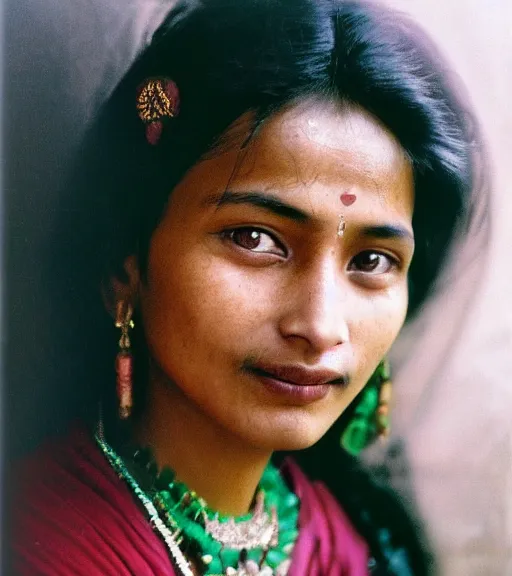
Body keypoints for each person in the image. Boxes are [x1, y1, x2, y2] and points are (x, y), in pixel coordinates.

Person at [9, 0, 479, 574]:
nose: (321, 325)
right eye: (255, 239)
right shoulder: (43, 543)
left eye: (373, 260)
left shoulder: (345, 536)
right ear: (124, 264)